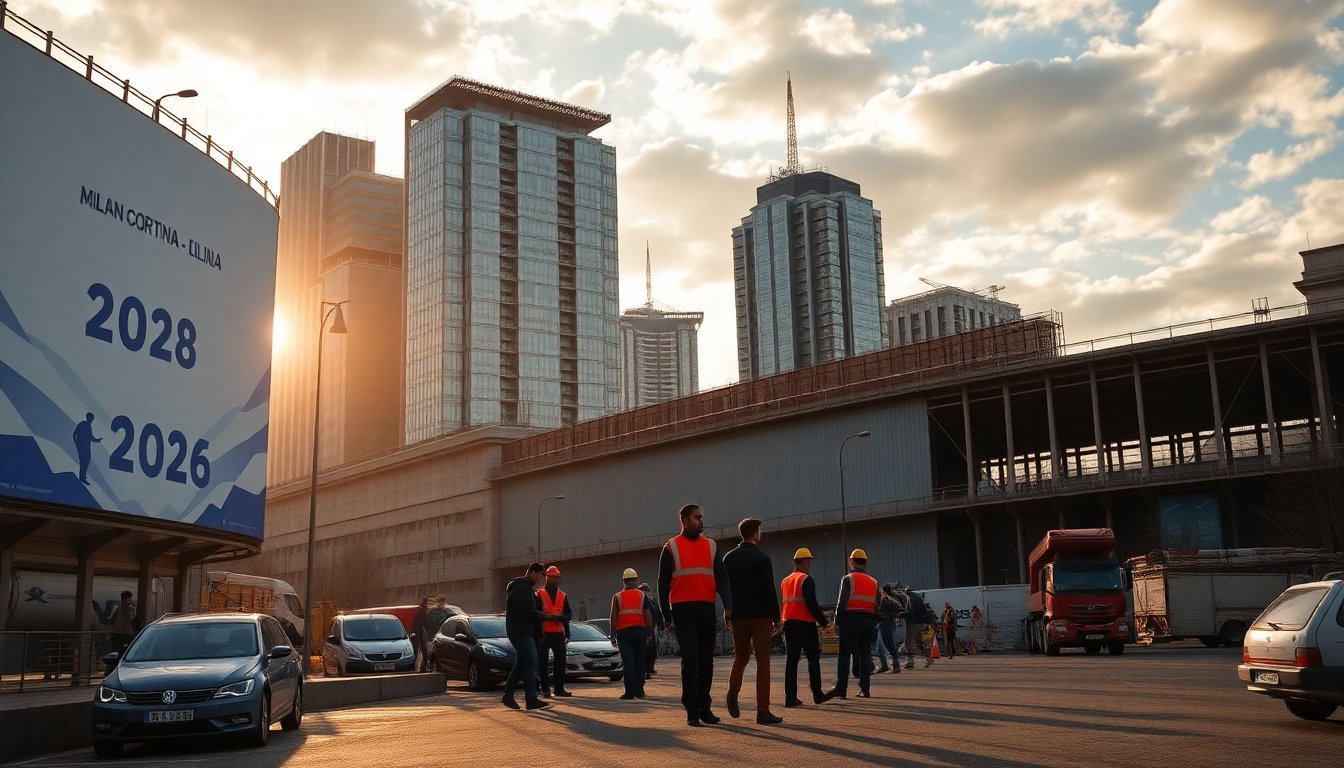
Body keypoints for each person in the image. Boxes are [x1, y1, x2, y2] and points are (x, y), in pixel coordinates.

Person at [658, 503, 733, 728]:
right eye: (697, 517)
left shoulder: (711, 546)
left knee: (706, 660)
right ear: (684, 521)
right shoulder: (671, 547)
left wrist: (728, 605)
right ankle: (691, 709)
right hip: (682, 610)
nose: (701, 521)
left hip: (706, 608)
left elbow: (722, 577)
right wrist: (665, 613)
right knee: (691, 658)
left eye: (702, 517)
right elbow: (663, 582)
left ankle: (704, 707)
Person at [722, 518, 783, 725]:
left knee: (740, 657)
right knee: (763, 661)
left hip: (738, 617)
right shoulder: (762, 558)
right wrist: (777, 618)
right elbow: (769, 590)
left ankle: (732, 692)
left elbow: (725, 588)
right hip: (760, 617)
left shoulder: (728, 558)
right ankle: (763, 711)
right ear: (756, 533)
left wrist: (727, 611)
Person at [780, 547, 832, 707]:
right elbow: (811, 604)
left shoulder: (785, 580)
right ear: (802, 562)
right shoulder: (806, 579)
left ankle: (790, 697)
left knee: (792, 660)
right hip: (805, 624)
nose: (810, 564)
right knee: (813, 659)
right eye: (808, 561)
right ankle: (817, 694)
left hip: (789, 623)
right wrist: (824, 622)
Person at [826, 549, 881, 700]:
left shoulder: (848, 579)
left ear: (851, 561)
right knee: (865, 654)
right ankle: (865, 689)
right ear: (865, 562)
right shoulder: (874, 582)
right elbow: (877, 605)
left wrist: (837, 621)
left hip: (850, 620)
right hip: (868, 621)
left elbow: (842, 602)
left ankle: (841, 689)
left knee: (844, 654)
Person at [501, 563, 549, 711]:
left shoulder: (528, 589)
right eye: (542, 575)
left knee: (522, 664)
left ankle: (508, 696)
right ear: (532, 572)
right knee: (531, 661)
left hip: (526, 632)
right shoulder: (520, 587)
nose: (542, 579)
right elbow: (525, 610)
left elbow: (532, 614)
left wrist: (539, 635)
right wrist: (543, 615)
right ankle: (531, 698)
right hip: (520, 632)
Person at [610, 568, 653, 699]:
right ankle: (639, 691)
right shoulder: (642, 595)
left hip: (624, 634)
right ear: (636, 581)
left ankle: (629, 692)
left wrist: (612, 635)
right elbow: (648, 616)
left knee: (628, 663)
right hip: (640, 633)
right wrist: (649, 634)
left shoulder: (617, 596)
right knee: (640, 662)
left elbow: (613, 617)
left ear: (624, 581)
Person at [536, 565, 573, 697]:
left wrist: (567, 633)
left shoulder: (563, 596)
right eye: (552, 577)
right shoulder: (539, 594)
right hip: (544, 634)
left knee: (560, 663)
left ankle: (559, 689)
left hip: (558, 633)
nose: (555, 580)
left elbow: (568, 615)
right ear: (547, 577)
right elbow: (536, 614)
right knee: (543, 663)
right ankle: (545, 689)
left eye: (557, 577)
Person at [873, 583, 906, 673]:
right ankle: (884, 665)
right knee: (879, 648)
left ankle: (896, 666)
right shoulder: (891, 599)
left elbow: (878, 612)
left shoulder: (884, 599)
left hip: (885, 623)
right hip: (885, 623)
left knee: (889, 645)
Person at [902, 586, 932, 668]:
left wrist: (901, 614)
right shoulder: (918, 599)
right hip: (919, 623)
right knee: (919, 642)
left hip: (913, 623)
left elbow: (912, 613)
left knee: (909, 643)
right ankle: (928, 658)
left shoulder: (911, 600)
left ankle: (910, 661)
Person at [638, 582, 664, 678]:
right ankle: (646, 670)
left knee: (652, 649)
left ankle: (650, 668)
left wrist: (662, 625)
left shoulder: (652, 601)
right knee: (646, 650)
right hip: (642, 628)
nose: (645, 593)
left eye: (646, 591)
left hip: (651, 628)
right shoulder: (639, 601)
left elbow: (657, 613)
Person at [107, 590, 140, 656]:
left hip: (117, 633)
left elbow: (111, 619)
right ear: (129, 598)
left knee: (116, 652)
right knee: (129, 651)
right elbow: (132, 619)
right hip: (127, 634)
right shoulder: (131, 609)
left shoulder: (117, 609)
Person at [413, 596, 434, 671]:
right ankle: (424, 666)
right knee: (423, 650)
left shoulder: (420, 611)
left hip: (418, 633)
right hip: (420, 634)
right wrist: (429, 635)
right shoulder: (423, 612)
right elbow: (425, 624)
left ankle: (422, 666)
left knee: (420, 650)